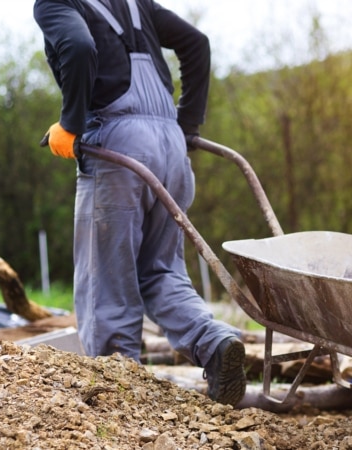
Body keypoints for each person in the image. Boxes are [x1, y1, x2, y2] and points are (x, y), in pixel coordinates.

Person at [33, 0, 246, 406]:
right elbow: (196, 43)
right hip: (171, 148)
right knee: (161, 269)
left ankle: (117, 396)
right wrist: (187, 125)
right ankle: (214, 342)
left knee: (106, 280)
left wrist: (71, 123)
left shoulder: (54, 4)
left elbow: (78, 47)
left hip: (118, 143)